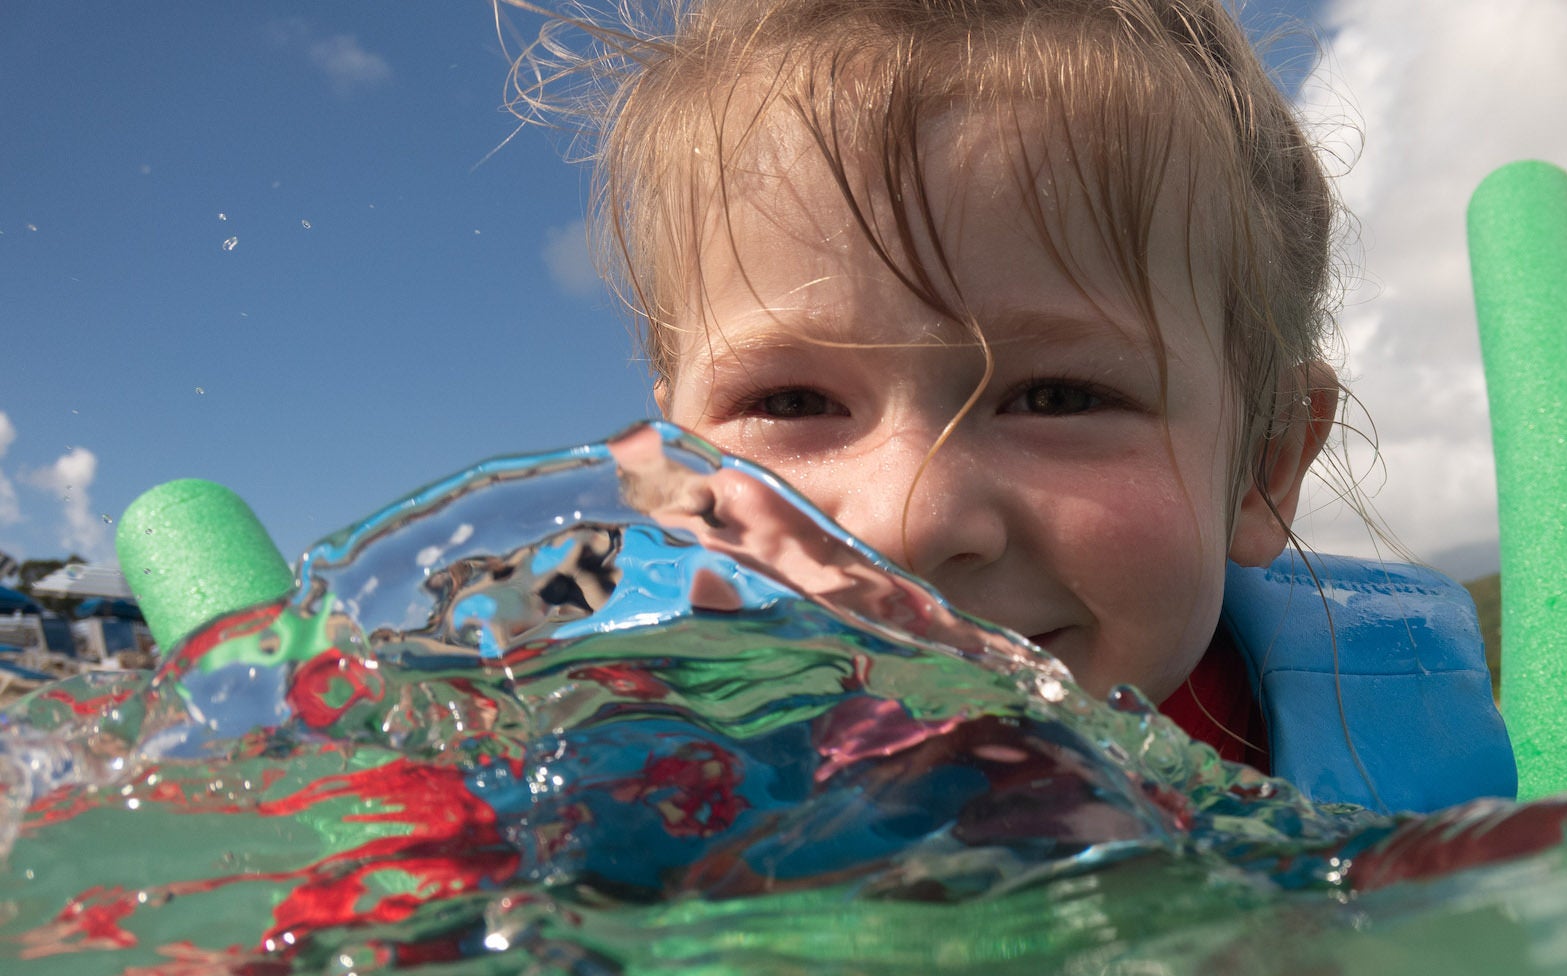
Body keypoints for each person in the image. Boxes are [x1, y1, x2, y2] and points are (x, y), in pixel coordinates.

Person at [517, 0, 1513, 810]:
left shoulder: (1365, 787)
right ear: (669, 480)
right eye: (789, 399)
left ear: (1262, 466)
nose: (912, 521)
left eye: (1057, 395)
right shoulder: (590, 755)